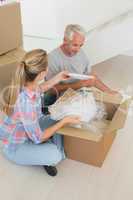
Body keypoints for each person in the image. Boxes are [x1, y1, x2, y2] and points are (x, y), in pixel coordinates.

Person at [0, 49, 80, 176]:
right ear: (42, 73)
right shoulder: (26, 103)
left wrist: (58, 77)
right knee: (56, 155)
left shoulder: (26, 82)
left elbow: (41, 89)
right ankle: (48, 151)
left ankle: (44, 147)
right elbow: (37, 138)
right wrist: (65, 122)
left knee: (58, 117)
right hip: (16, 146)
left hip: (30, 128)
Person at [43, 24, 118, 112]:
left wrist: (109, 91)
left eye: (81, 45)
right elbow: (50, 90)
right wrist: (80, 84)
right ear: (65, 40)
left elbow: (91, 77)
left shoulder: (81, 54)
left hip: (76, 97)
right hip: (57, 102)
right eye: (75, 45)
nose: (78, 49)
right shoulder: (52, 58)